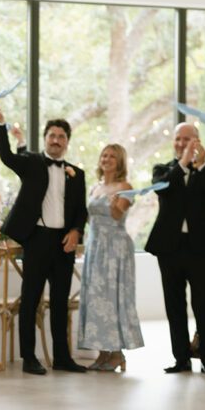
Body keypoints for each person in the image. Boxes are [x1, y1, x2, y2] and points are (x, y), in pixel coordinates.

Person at [0, 105, 88, 375]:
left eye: (61, 136)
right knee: (30, 299)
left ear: (67, 141)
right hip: (37, 239)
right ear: (45, 138)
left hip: (64, 243)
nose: (56, 140)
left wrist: (76, 231)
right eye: (52, 135)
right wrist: (1, 124)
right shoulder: (32, 162)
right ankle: (29, 357)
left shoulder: (77, 174)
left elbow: (81, 210)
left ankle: (62, 357)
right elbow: (7, 156)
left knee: (59, 302)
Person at [145, 122, 205, 375]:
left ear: (198, 141)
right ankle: (180, 358)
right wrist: (183, 163)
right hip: (169, 248)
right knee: (174, 304)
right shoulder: (163, 170)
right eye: (178, 139)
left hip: (201, 248)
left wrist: (201, 166)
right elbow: (166, 190)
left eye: (187, 139)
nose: (181, 143)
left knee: (203, 304)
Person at [77, 144, 143, 372]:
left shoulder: (125, 187)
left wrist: (115, 202)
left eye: (112, 156)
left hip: (115, 249)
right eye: (104, 155)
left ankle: (117, 354)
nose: (106, 159)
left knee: (112, 298)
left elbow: (116, 215)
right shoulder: (95, 188)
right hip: (95, 247)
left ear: (120, 161)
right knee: (96, 299)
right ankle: (102, 353)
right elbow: (89, 219)